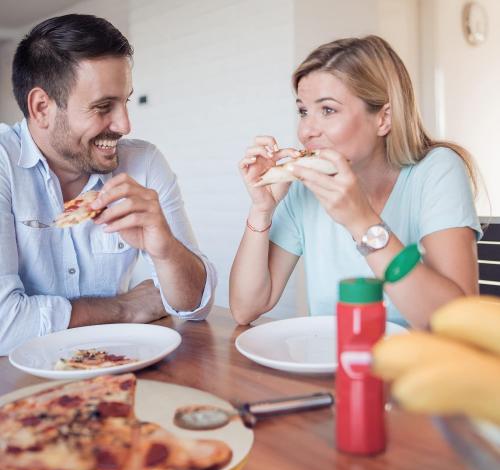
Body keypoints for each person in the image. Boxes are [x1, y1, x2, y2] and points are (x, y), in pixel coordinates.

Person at [230, 35, 481, 329]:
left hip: (417, 369)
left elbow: (457, 325)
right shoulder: (305, 188)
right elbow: (245, 309)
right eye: (303, 111)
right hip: (330, 366)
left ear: (383, 119)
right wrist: (261, 209)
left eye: (327, 110)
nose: (306, 131)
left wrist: (361, 222)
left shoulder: (437, 170)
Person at [0, 14, 216, 355]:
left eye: (125, 101)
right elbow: (3, 325)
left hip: (117, 368)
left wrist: (165, 250)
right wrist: (125, 308)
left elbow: (194, 306)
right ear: (42, 107)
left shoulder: (143, 163)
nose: (125, 124)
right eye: (103, 107)